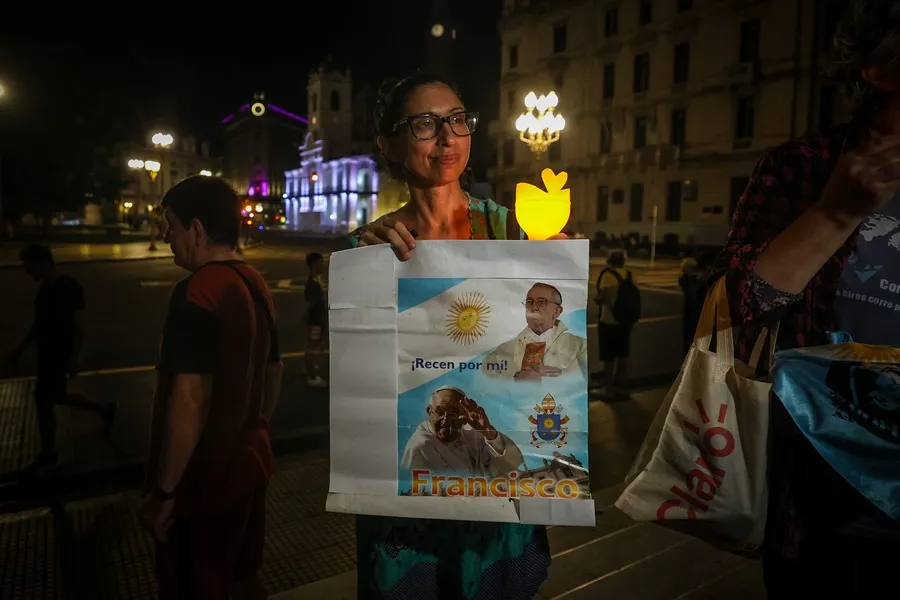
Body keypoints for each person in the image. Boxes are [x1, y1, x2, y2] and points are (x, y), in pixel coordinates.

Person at [345, 72, 565, 600]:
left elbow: (557, 350)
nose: (447, 138)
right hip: (406, 512)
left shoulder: (512, 233)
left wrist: (560, 275)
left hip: (494, 507)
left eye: (457, 120)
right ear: (389, 145)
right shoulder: (368, 248)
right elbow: (353, 378)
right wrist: (363, 274)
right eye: (424, 124)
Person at [709, 1, 900, 595]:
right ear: (877, 67)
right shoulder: (804, 168)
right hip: (827, 503)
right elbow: (743, 308)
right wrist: (833, 213)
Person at [141, 176, 283, 600]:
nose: (167, 238)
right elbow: (273, 372)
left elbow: (190, 397)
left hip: (202, 480)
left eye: (171, 226)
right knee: (239, 576)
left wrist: (165, 491)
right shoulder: (254, 282)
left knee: (196, 583)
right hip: (250, 463)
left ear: (197, 230)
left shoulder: (197, 292)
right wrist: (250, 430)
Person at [6, 244, 115, 471]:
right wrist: (20, 349)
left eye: (29, 266)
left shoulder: (67, 287)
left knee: (44, 399)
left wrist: (75, 356)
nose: (27, 271)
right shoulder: (45, 288)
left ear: (43, 262)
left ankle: (48, 452)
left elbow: (79, 325)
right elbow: (39, 324)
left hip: (59, 352)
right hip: (48, 352)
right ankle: (104, 410)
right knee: (58, 396)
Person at [401, 386, 524, 480]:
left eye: (454, 413)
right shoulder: (420, 447)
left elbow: (512, 464)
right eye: (440, 412)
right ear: (429, 411)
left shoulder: (474, 436)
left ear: (465, 415)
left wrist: (488, 432)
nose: (446, 419)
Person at [484, 283, 588, 381]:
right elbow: (484, 383)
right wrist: (515, 379)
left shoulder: (580, 347)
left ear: (557, 311)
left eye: (541, 302)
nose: (533, 307)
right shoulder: (503, 351)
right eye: (529, 302)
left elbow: (581, 389)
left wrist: (541, 380)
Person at [595, 250, 636, 398]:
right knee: (623, 355)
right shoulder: (629, 275)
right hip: (625, 321)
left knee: (608, 357)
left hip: (609, 320)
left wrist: (597, 299)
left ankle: (609, 388)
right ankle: (622, 387)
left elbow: (604, 298)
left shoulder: (608, 276)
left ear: (609, 260)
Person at [304, 252, 328, 388]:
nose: (323, 265)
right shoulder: (313, 283)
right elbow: (310, 304)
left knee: (314, 344)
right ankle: (312, 376)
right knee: (312, 346)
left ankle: (310, 366)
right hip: (315, 320)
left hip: (316, 319)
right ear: (314, 264)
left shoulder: (314, 280)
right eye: (320, 262)